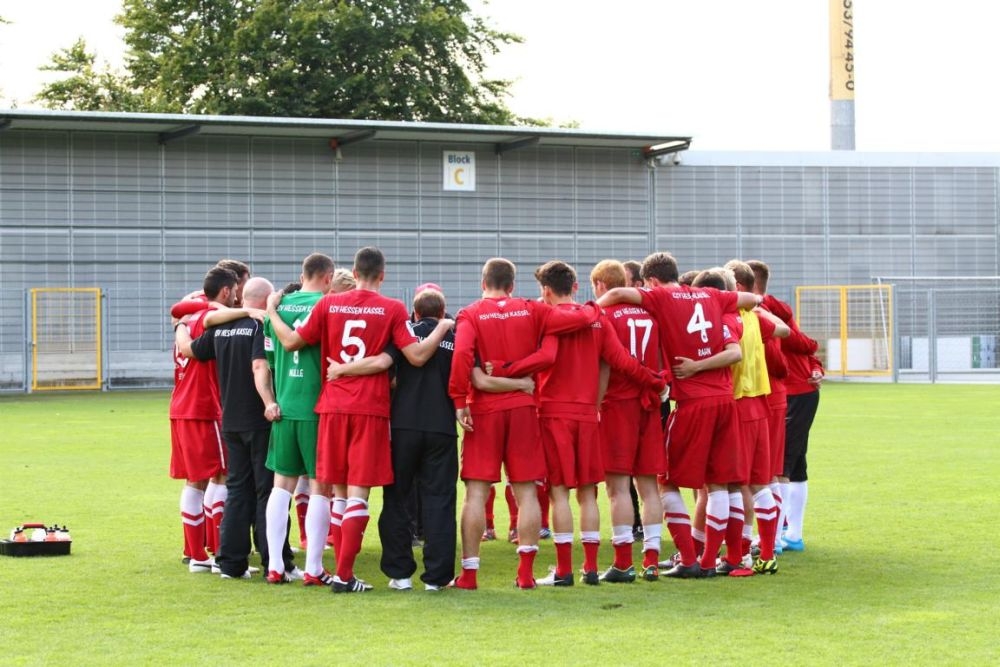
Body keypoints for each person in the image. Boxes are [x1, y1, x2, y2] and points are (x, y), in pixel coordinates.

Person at [265, 246, 453, 593]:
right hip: (369, 408)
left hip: (331, 406)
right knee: (357, 493)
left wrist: (271, 311)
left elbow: (290, 342)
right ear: (382, 275)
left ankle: (313, 567)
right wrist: (442, 327)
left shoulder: (329, 304)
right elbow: (415, 356)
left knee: (331, 489)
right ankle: (344, 575)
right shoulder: (393, 308)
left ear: (354, 271)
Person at [597, 252, 760, 579]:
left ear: (651, 281)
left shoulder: (659, 297)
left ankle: (687, 557)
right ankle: (712, 559)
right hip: (725, 400)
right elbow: (752, 299)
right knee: (719, 484)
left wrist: (591, 309)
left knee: (665, 482)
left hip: (692, 401)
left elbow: (616, 294)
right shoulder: (711, 296)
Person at [447, 257, 602, 590]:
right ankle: (525, 574)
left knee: (476, 493)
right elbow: (576, 318)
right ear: (512, 285)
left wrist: (459, 400)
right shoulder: (531, 309)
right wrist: (593, 308)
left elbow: (461, 356)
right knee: (527, 492)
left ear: (483, 282)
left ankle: (469, 575)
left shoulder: (470, 314)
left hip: (484, 410)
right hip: (523, 409)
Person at [515, 261, 664, 587]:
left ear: (546, 290)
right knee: (588, 494)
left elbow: (541, 358)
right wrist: (654, 381)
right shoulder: (597, 318)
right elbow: (620, 361)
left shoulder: (545, 318)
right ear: (576, 286)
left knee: (558, 493)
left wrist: (506, 370)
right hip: (588, 415)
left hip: (553, 413)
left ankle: (564, 570)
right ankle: (592, 567)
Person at [176, 276, 297, 580]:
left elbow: (189, 350)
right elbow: (259, 366)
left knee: (237, 490)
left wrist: (179, 325)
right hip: (259, 420)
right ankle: (276, 561)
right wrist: (269, 402)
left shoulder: (221, 327)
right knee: (268, 490)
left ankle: (231, 563)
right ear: (266, 299)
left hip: (229, 420)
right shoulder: (260, 325)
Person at [261, 253, 336, 586]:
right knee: (320, 487)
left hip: (285, 406)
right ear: (327, 277)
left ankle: (276, 566)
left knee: (282, 485)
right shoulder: (327, 305)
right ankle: (314, 568)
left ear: (302, 274)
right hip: (316, 409)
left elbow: (269, 361)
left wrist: (271, 310)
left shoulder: (277, 307)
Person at [589, 259, 667, 583]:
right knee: (648, 486)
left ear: (601, 285)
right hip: (648, 405)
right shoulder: (650, 314)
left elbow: (605, 366)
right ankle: (651, 559)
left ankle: (623, 562)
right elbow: (659, 360)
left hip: (618, 404)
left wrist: (595, 405)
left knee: (617, 487)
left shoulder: (604, 315)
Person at [747, 262, 824, 552]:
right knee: (795, 464)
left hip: (794, 393)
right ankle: (793, 535)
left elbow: (801, 342)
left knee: (781, 466)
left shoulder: (768, 307)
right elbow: (803, 345)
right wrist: (815, 364)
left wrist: (813, 359)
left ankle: (775, 539)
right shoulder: (763, 308)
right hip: (795, 391)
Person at [168, 266, 235, 573]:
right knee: (221, 475)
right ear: (226, 291)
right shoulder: (207, 317)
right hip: (203, 407)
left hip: (180, 406)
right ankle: (220, 554)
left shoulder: (187, 317)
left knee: (195, 481)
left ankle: (196, 553)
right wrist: (255, 311)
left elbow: (178, 311)